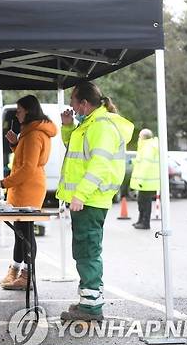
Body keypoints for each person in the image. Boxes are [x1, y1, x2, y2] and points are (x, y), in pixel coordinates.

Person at [56, 82, 133, 323]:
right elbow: (76, 152)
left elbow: (99, 165)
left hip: (89, 199)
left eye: (73, 102)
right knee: (85, 251)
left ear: (84, 104)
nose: (70, 106)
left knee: (87, 251)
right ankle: (88, 301)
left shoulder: (101, 126)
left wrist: (80, 194)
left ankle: (90, 308)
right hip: (88, 199)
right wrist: (68, 128)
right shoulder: (90, 124)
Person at [0, 95, 57, 290]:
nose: (17, 114)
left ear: (28, 110)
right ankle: (16, 270)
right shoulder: (30, 132)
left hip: (29, 188)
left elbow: (28, 167)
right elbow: (26, 159)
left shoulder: (35, 134)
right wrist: (15, 144)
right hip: (24, 188)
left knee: (26, 233)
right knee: (21, 232)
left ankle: (27, 275)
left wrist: (3, 183)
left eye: (19, 110)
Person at [130, 129, 160, 230]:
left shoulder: (148, 147)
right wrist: (133, 161)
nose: (138, 138)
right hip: (146, 181)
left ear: (143, 137)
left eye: (139, 136)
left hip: (146, 181)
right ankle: (140, 220)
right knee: (141, 201)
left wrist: (140, 180)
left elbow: (145, 165)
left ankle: (145, 223)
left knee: (145, 203)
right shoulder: (146, 147)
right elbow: (141, 162)